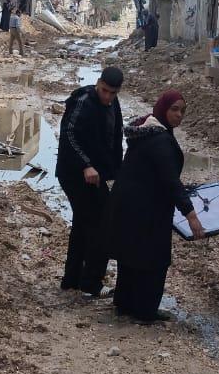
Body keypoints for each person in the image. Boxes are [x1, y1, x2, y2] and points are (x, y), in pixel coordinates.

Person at [109, 90, 205, 323]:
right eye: (174, 109)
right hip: (148, 207)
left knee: (131, 254)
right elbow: (169, 181)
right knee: (154, 260)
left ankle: (124, 304)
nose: (179, 115)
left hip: (129, 203)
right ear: (162, 109)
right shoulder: (160, 140)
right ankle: (145, 311)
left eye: (182, 110)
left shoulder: (146, 130)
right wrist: (190, 214)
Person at [56, 66, 125, 294]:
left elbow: (114, 139)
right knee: (99, 224)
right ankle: (90, 283)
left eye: (112, 93)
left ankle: (72, 280)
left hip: (95, 176)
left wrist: (117, 172)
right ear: (98, 83)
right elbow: (68, 135)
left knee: (85, 223)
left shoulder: (113, 105)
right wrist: (86, 164)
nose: (107, 97)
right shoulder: (82, 102)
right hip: (74, 173)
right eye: (104, 91)